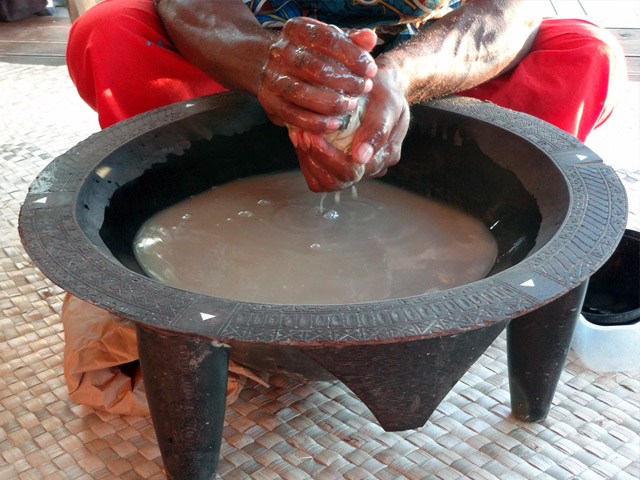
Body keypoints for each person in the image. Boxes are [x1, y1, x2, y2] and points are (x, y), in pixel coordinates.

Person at [62, 0, 626, 415]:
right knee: (109, 30)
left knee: (584, 52)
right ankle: (213, 203)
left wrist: (397, 79)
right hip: (249, 58)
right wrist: (270, 70)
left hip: (431, 66)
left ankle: (426, 175)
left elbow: (511, 9)